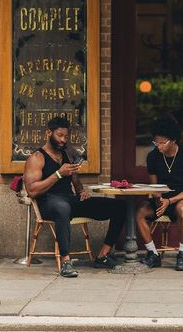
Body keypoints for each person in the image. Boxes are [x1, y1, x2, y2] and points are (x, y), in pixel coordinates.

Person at [23, 117, 126, 278]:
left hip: (70, 200)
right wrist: (58, 174)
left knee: (120, 206)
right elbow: (32, 191)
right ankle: (66, 262)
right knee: (62, 207)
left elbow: (74, 178)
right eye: (60, 135)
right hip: (49, 202)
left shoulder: (67, 154)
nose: (63, 140)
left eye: (66, 136)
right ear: (48, 133)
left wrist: (81, 191)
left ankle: (103, 256)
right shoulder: (37, 158)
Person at [135, 119, 183, 271]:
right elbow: (154, 186)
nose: (159, 146)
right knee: (140, 212)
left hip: (181, 197)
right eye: (156, 143)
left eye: (163, 143)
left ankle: (182, 254)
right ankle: (153, 254)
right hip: (162, 198)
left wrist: (170, 201)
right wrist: (159, 199)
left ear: (173, 140)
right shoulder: (153, 157)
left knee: (182, 210)